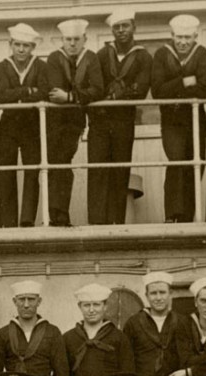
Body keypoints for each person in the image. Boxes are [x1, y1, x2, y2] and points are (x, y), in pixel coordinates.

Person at [87, 8, 152, 226]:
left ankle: (116, 223)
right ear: (112, 30)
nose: (121, 31)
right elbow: (94, 85)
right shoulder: (102, 54)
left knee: (119, 172)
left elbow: (140, 89)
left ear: (134, 27)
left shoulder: (143, 56)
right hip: (100, 121)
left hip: (124, 121)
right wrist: (116, 92)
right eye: (117, 27)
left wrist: (114, 94)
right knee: (97, 171)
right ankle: (97, 223)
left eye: (125, 26)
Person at [0, 24, 50, 228]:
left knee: (32, 171)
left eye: (26, 45)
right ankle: (7, 220)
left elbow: (44, 91)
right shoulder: (2, 66)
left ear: (32, 47)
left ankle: (26, 219)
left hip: (32, 125)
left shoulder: (41, 66)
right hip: (8, 125)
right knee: (6, 171)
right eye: (18, 45)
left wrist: (16, 92)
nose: (22, 50)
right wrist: (27, 92)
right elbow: (0, 94)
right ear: (11, 45)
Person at [151, 14, 206, 223]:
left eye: (187, 37)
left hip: (195, 119)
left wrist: (174, 86)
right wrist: (185, 81)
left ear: (195, 36)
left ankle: (188, 216)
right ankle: (173, 215)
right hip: (172, 119)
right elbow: (157, 90)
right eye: (179, 37)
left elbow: (204, 88)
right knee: (176, 162)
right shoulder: (161, 54)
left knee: (196, 165)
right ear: (172, 36)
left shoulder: (201, 53)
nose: (183, 42)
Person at [45, 19, 104, 226]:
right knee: (56, 164)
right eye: (68, 39)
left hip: (75, 122)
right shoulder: (54, 58)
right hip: (54, 122)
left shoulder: (91, 59)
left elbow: (97, 89)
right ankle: (57, 215)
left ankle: (61, 213)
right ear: (62, 40)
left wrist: (70, 97)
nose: (72, 43)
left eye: (76, 39)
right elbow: (54, 91)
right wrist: (81, 94)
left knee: (63, 163)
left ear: (84, 39)